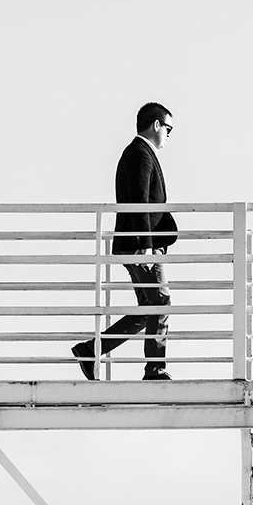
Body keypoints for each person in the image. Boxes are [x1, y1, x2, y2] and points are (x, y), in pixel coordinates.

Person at [72, 102, 177, 380]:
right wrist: (146, 245)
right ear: (156, 125)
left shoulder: (140, 153)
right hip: (141, 245)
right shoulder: (139, 154)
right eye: (168, 128)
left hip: (139, 244)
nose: (169, 135)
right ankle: (154, 369)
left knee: (149, 309)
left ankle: (91, 350)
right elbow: (138, 201)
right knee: (161, 302)